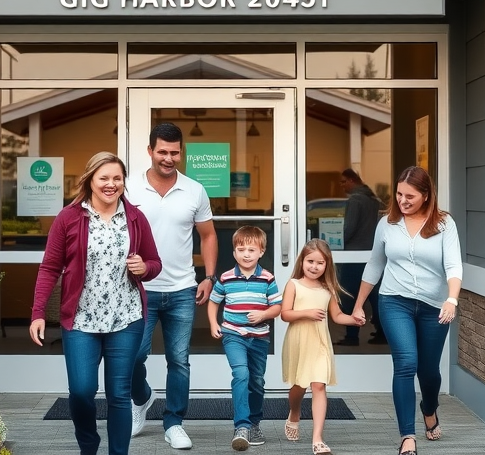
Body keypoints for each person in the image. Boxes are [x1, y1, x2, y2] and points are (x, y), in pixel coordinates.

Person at [29, 152, 163, 455]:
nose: (111, 184)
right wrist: (38, 312)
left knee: (119, 395)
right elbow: (50, 267)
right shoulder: (69, 217)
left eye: (117, 178)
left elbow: (154, 262)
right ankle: (89, 447)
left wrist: (145, 268)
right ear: (90, 179)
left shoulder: (135, 218)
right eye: (104, 178)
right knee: (80, 392)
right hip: (80, 321)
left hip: (126, 319)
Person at [350, 166, 462, 455]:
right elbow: (375, 264)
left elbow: (453, 265)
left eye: (410, 196)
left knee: (429, 372)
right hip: (393, 301)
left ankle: (429, 407)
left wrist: (452, 299)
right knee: (406, 363)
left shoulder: (444, 224)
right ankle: (407, 436)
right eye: (399, 194)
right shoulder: (387, 223)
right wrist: (359, 303)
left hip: (434, 306)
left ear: (426, 195)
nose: (402, 200)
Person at [125, 122, 218, 449]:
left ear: (182, 152)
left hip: (181, 289)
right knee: (134, 356)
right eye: (162, 151)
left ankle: (174, 422)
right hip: (138, 290)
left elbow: (207, 235)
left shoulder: (194, 190)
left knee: (179, 359)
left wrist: (208, 276)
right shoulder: (127, 187)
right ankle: (142, 398)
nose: (168, 158)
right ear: (150, 151)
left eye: (174, 152)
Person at [280, 239, 364, 455]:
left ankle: (317, 439)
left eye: (320, 263)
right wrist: (306, 313)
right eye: (310, 261)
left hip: (319, 343)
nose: (314, 267)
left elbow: (336, 316)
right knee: (299, 385)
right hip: (299, 341)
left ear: (327, 265)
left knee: (318, 385)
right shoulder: (294, 285)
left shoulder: (328, 289)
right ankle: (295, 413)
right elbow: (285, 314)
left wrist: (354, 319)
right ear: (302, 261)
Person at [207, 226, 282, 452]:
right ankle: (241, 426)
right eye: (241, 249)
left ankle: (255, 423)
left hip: (259, 337)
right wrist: (213, 323)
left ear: (261, 252)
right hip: (233, 335)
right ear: (234, 253)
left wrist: (264, 314)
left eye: (252, 249)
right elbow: (214, 301)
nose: (246, 254)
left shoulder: (267, 278)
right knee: (241, 374)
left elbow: (277, 307)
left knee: (256, 381)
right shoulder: (227, 278)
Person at [335, 168, 384, 346]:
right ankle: (382, 332)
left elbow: (349, 228)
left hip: (354, 254)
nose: (342, 186)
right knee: (373, 295)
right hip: (371, 253)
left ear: (351, 181)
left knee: (349, 294)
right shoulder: (373, 200)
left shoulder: (356, 200)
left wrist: (337, 245)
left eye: (343, 182)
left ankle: (351, 335)